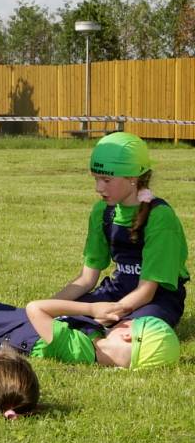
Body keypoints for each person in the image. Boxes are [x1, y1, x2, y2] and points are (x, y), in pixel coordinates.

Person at [52, 132, 189, 327]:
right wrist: (51, 306)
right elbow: (86, 279)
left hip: (156, 298)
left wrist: (104, 318)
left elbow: (146, 291)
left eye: (106, 180)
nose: (98, 188)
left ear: (133, 178)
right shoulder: (101, 212)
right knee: (60, 321)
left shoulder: (160, 217)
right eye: (96, 179)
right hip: (117, 291)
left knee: (125, 336)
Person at [0, 294, 180, 369]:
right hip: (19, 322)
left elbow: (38, 308)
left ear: (128, 334)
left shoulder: (81, 351)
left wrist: (92, 308)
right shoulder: (94, 345)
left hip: (11, 331)